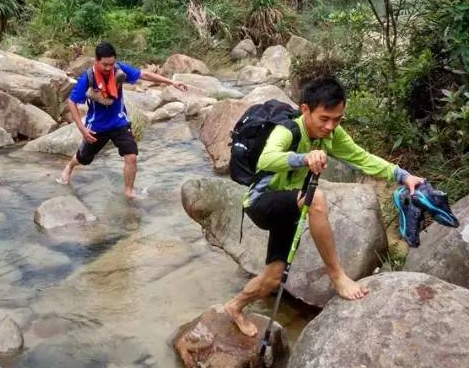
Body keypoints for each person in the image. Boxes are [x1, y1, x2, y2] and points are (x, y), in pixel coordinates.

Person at [224, 76, 425, 336]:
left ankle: (235, 306)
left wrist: (403, 176)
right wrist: (303, 158)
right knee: (315, 198)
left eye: (337, 119)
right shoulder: (288, 130)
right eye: (324, 119)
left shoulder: (332, 134)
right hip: (261, 203)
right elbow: (268, 158)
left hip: (290, 206)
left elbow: (362, 158)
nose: (331, 126)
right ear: (305, 109)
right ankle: (337, 276)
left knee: (273, 278)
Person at [59, 42, 188, 199]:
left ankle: (128, 192)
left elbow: (144, 75)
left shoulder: (119, 70)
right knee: (83, 159)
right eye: (105, 64)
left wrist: (172, 82)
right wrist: (82, 129)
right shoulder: (87, 77)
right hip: (97, 126)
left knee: (131, 156)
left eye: (111, 64)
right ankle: (70, 166)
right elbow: (72, 102)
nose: (108, 68)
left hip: (119, 122)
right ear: (96, 61)